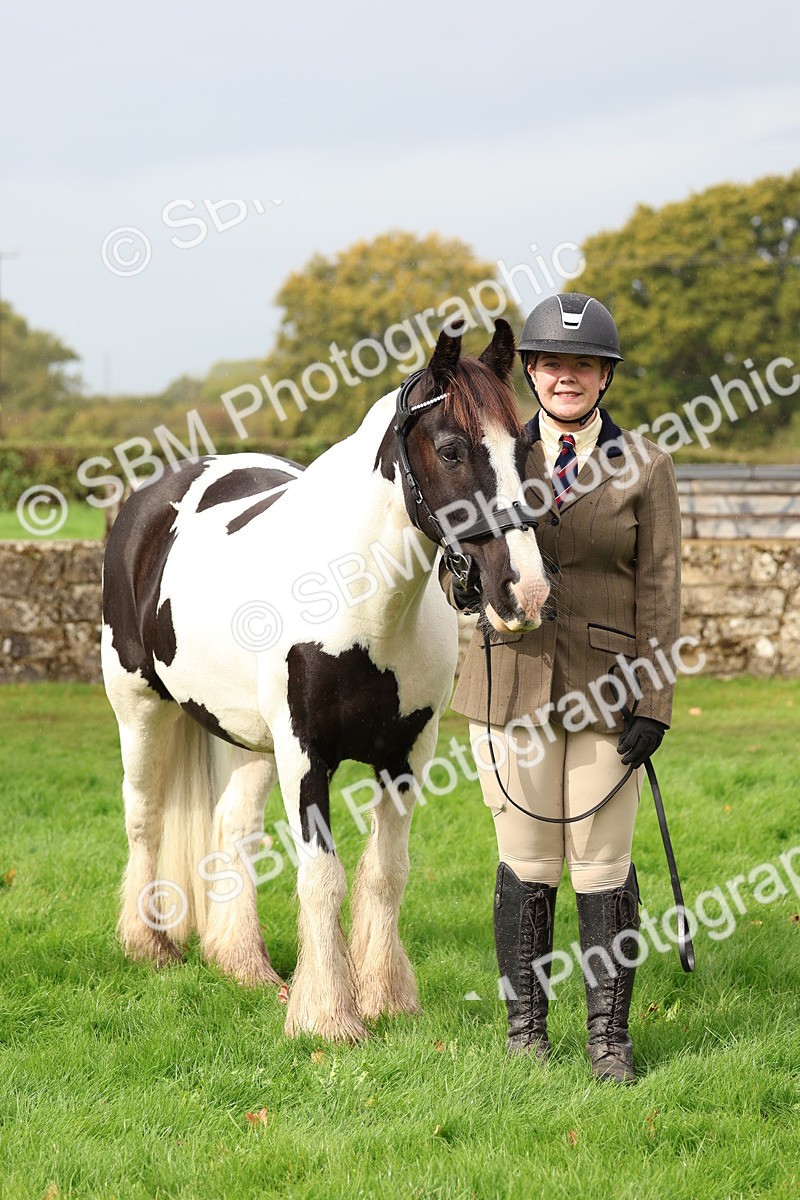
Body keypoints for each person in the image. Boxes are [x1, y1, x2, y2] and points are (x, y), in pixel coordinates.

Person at [441, 293, 682, 1084]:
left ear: (604, 375)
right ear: (533, 372)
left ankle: (609, 1039)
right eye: (551, 363)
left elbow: (661, 590)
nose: (566, 376)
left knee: (604, 863)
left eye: (583, 364)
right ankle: (525, 1034)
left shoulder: (646, 466)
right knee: (526, 859)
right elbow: (461, 561)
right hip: (510, 684)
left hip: (609, 691)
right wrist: (463, 588)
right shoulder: (499, 454)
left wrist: (653, 702)